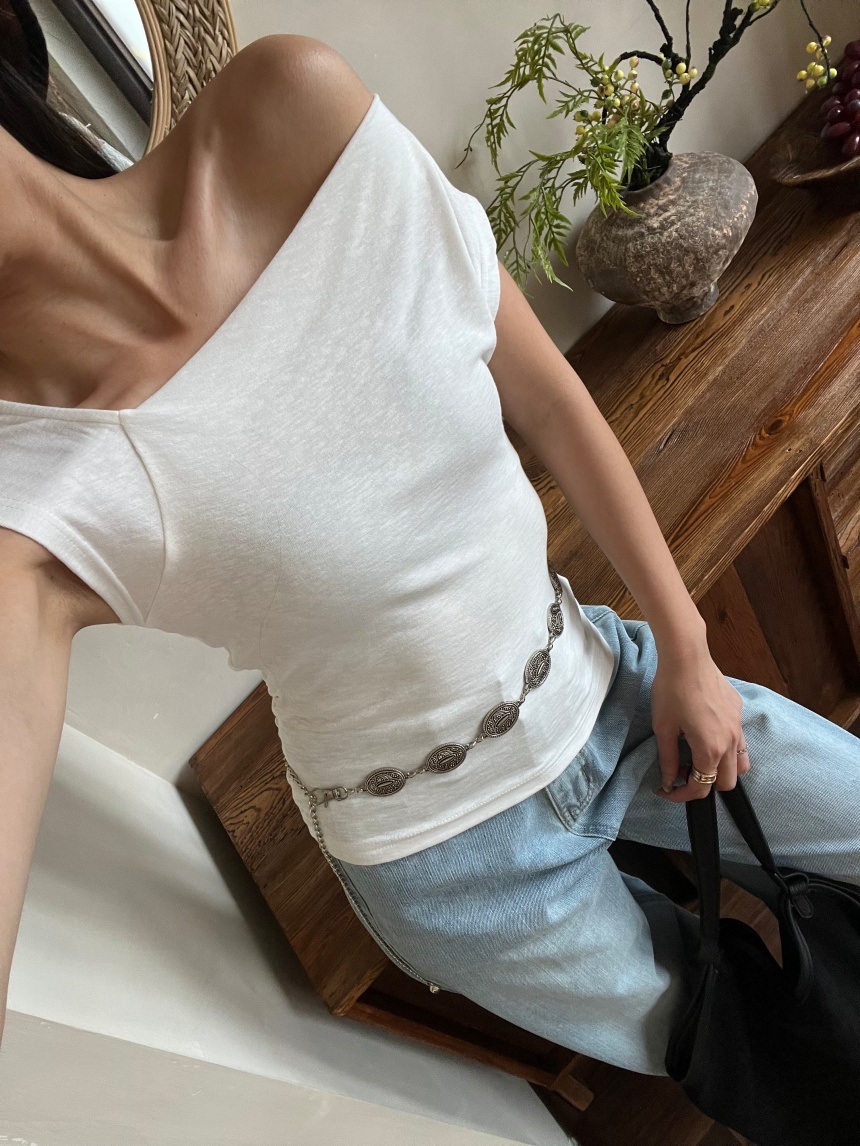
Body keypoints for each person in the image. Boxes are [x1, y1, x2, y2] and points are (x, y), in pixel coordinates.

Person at [0, 4, 857, 1079]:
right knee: (774, 1064)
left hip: (603, 682)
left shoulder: (289, 116)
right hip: (448, 870)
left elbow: (544, 397)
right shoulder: (25, 493)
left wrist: (685, 645)